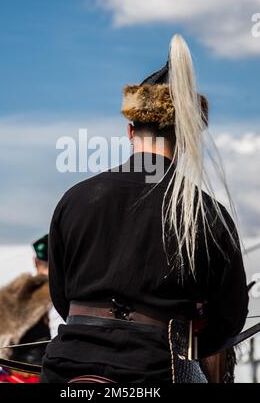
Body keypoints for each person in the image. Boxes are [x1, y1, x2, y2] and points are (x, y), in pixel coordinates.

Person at [41, 34, 249, 384]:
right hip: (155, 371)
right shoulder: (207, 213)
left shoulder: (74, 199)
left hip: (65, 368)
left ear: (129, 131)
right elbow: (228, 320)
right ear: (185, 135)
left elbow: (63, 298)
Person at [0, 234, 57, 383]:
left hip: (8, 375)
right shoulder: (61, 291)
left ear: (35, 261)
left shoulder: (9, 293)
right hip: (42, 375)